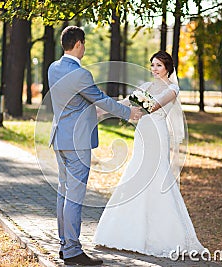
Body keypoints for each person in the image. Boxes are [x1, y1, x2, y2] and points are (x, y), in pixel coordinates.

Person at [94, 51, 206, 258]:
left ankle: (165, 235)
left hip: (157, 136)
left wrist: (134, 109)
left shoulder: (173, 89)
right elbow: (128, 101)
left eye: (159, 66)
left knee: (156, 177)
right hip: (142, 135)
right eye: (152, 65)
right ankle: (123, 234)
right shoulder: (145, 87)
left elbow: (153, 106)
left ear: (168, 68)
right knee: (135, 175)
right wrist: (105, 110)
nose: (154, 69)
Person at [48, 26, 143, 266]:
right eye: (85, 44)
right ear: (78, 44)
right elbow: (100, 99)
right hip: (77, 143)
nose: (85, 48)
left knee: (64, 193)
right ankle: (72, 250)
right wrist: (128, 112)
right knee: (75, 196)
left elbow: (76, 103)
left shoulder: (53, 68)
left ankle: (64, 244)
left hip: (59, 138)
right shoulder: (81, 74)